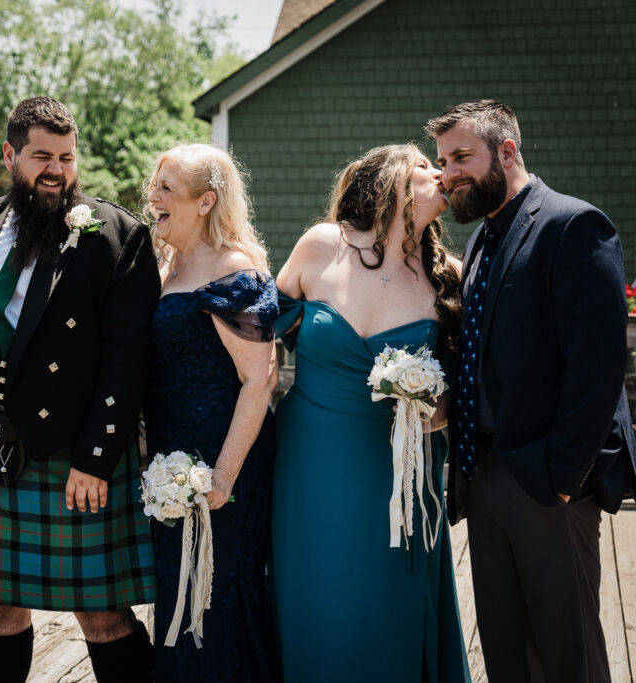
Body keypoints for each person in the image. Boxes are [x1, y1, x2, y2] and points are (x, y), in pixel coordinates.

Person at [0, 97, 158, 683]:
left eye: (66, 157)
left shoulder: (116, 234)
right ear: (10, 155)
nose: (56, 170)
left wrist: (96, 457)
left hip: (74, 449)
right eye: (42, 157)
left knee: (102, 612)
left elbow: (127, 359)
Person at [428, 100, 636, 683]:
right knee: (506, 653)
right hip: (483, 475)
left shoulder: (574, 225)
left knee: (569, 654)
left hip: (549, 482)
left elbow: (598, 367)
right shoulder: (481, 240)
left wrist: (561, 476)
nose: (449, 173)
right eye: (443, 161)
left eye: (461, 156)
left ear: (507, 151)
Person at [272, 144, 470, 681]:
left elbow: (464, 379)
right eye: (425, 165)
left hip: (396, 467)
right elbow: (268, 326)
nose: (441, 173)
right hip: (309, 457)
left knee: (388, 601)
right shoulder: (321, 245)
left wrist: (438, 410)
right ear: (388, 181)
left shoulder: (448, 276)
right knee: (314, 593)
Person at [142, 143, 281, 681]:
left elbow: (258, 380)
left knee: (221, 591)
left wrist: (223, 475)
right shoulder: (163, 267)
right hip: (169, 460)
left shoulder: (232, 270)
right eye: (154, 185)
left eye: (167, 188)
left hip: (226, 459)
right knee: (176, 589)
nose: (153, 197)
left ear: (205, 201)